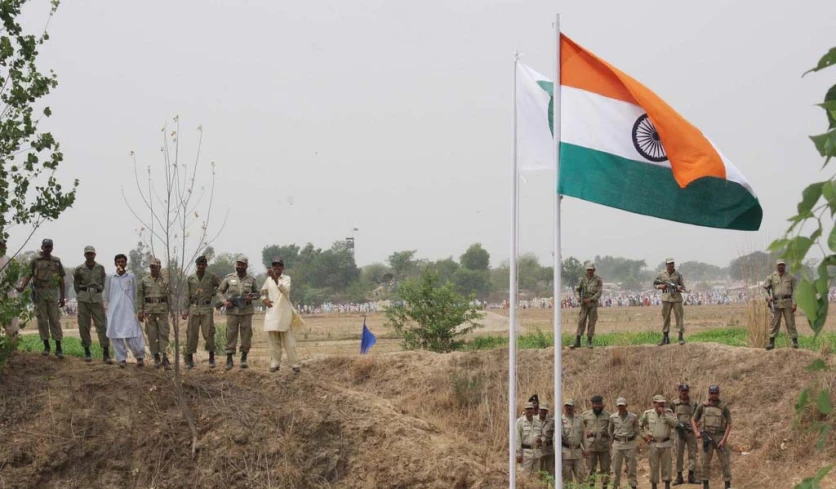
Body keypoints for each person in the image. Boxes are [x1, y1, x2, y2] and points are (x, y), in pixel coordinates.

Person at [17, 238, 66, 358]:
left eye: (50, 247)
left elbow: (61, 280)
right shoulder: (35, 261)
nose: (48, 249)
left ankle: (58, 347)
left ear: (52, 248)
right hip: (39, 292)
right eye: (46, 247)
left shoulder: (56, 261)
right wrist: (22, 286)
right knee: (42, 320)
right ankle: (46, 346)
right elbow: (28, 274)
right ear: (42, 247)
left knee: (54, 320)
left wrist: (62, 297)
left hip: (52, 292)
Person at [261, 258, 303, 373]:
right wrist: (264, 300)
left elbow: (285, 290)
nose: (276, 267)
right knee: (273, 343)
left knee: (289, 342)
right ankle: (275, 364)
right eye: (274, 265)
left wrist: (275, 278)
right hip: (272, 314)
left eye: (279, 265)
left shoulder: (286, 279)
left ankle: (294, 364)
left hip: (284, 313)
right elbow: (263, 292)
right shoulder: (268, 280)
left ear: (283, 267)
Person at [217, 256, 259, 370]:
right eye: (238, 264)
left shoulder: (251, 280)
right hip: (232, 311)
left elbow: (258, 294)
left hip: (246, 311)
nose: (240, 266)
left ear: (246, 266)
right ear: (236, 265)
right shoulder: (229, 278)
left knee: (246, 335)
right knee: (231, 335)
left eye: (242, 264)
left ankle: (244, 358)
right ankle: (229, 359)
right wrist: (224, 302)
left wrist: (252, 297)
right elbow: (220, 291)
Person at [106, 254, 146, 368]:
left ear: (126, 263)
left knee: (133, 333)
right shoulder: (110, 277)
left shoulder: (131, 277)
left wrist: (136, 309)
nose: (120, 264)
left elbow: (134, 293)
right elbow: (108, 295)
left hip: (128, 309)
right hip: (114, 310)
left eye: (122, 262)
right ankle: (121, 359)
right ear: (115, 263)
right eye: (118, 262)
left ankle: (139, 357)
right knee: (115, 335)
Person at [73, 246, 111, 364]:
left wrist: (97, 292)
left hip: (96, 298)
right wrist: (81, 294)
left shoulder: (100, 268)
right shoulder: (79, 269)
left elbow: (102, 282)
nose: (90, 256)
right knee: (84, 324)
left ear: (95, 255)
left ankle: (106, 352)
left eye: (91, 254)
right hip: (83, 298)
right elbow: (76, 284)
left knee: (101, 324)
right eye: (87, 254)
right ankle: (87, 351)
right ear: (84, 255)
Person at [183, 255, 221, 369]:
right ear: (196, 265)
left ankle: (211, 358)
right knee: (191, 334)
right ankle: (189, 360)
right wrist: (185, 310)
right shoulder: (190, 278)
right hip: (194, 308)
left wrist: (213, 293)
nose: (201, 267)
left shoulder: (211, 277)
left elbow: (222, 286)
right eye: (199, 265)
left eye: (203, 265)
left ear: (206, 265)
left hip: (206, 308)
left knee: (209, 333)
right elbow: (186, 294)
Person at [691, 385, 732, 489]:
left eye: (716, 393)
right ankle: (706, 485)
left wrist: (724, 439)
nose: (714, 395)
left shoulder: (723, 407)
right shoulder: (702, 406)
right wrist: (696, 432)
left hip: (719, 437)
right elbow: (693, 419)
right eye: (712, 393)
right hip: (706, 438)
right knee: (705, 462)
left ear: (718, 393)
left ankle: (727, 485)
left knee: (725, 462)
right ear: (709, 394)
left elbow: (729, 424)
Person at [137, 257, 171, 370]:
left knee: (164, 334)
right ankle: (156, 357)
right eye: (151, 267)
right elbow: (140, 296)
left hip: (162, 310)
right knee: (151, 334)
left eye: (155, 267)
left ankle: (165, 357)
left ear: (159, 267)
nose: (153, 269)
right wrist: (140, 311)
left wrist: (172, 311)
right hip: (149, 310)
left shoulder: (165, 281)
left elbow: (169, 297)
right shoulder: (144, 280)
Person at [640, 395, 678, 489]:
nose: (661, 404)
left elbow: (676, 423)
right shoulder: (647, 413)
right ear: (654, 403)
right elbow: (639, 426)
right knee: (654, 466)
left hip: (666, 443)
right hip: (653, 443)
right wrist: (644, 436)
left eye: (663, 402)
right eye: (659, 403)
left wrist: (665, 414)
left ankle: (667, 485)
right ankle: (654, 486)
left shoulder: (668, 412)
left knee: (667, 466)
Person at [762, 259, 798, 350]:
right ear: (776, 266)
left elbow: (795, 291)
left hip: (787, 303)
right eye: (779, 265)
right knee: (774, 323)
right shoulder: (771, 277)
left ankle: (794, 341)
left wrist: (794, 303)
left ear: (785, 266)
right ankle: (771, 342)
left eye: (782, 265)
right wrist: (767, 297)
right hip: (776, 303)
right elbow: (764, 288)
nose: (781, 266)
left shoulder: (791, 277)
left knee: (790, 322)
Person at [654, 258, 686, 346]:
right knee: (666, 318)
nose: (671, 265)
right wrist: (661, 286)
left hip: (676, 299)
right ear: (666, 265)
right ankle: (665, 337)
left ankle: (680, 337)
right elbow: (655, 284)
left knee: (679, 317)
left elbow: (683, 287)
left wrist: (678, 288)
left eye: (672, 263)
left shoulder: (678, 274)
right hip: (666, 299)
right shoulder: (661, 274)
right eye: (669, 264)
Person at [609, 397, 640, 489]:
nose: (621, 407)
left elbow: (636, 430)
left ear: (626, 405)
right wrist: (614, 440)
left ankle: (633, 485)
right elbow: (610, 430)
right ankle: (615, 485)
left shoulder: (633, 417)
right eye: (619, 406)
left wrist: (632, 439)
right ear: (617, 406)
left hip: (630, 444)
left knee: (631, 466)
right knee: (615, 467)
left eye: (622, 405)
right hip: (617, 444)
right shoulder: (612, 417)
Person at [582, 395, 611, 488]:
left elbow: (612, 430)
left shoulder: (608, 416)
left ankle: (604, 486)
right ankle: (591, 486)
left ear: (602, 404)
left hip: (604, 447)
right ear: (592, 405)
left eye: (599, 404)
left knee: (605, 469)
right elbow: (581, 429)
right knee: (591, 469)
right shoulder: (585, 415)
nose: (597, 406)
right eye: (595, 404)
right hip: (591, 447)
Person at [672, 384, 698, 485]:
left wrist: (694, 427)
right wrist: (676, 426)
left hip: (690, 432)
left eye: (686, 390)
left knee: (692, 453)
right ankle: (679, 477)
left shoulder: (693, 404)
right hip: (679, 432)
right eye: (682, 390)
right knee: (679, 454)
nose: (684, 392)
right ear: (679, 391)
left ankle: (691, 476)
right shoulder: (674, 403)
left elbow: (698, 417)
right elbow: (670, 417)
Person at [572, 263, 603, 349]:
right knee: (581, 321)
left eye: (591, 270)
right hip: (584, 304)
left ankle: (589, 341)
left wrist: (590, 299)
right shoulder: (583, 280)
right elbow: (578, 290)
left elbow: (599, 292)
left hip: (592, 304)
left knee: (592, 322)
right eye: (588, 270)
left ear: (593, 270)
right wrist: (578, 297)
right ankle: (577, 340)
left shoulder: (598, 280)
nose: (589, 271)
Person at [561, 399, 587, 484]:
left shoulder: (579, 419)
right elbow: (556, 438)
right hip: (565, 453)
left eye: (570, 406)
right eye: (567, 406)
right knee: (567, 479)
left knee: (581, 477)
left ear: (573, 407)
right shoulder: (560, 420)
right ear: (564, 407)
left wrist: (586, 449)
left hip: (577, 452)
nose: (569, 408)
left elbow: (583, 435)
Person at [0, 239, 20, 345]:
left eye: (4, 246)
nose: (4, 247)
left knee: (12, 319)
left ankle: (12, 345)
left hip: (8, 293)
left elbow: (15, 279)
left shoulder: (10, 261)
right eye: (2, 246)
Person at [515, 401, 543, 475]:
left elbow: (543, 436)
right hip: (526, 453)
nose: (529, 411)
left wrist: (542, 440)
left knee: (537, 476)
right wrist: (518, 454)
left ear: (533, 410)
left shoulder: (538, 422)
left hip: (537, 452)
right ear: (524, 410)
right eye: (527, 409)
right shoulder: (519, 422)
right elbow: (517, 439)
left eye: (531, 409)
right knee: (525, 475)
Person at [539, 403, 555, 476]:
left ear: (547, 411)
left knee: (551, 471)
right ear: (539, 410)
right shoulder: (534, 420)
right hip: (539, 449)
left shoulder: (552, 422)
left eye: (545, 410)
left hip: (549, 449)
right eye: (541, 410)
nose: (543, 412)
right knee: (540, 471)